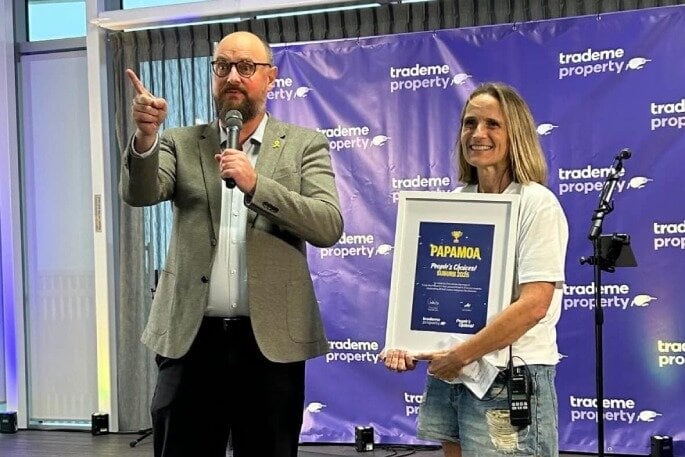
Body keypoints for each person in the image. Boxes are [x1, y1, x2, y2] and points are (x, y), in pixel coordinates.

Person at [119, 31, 343, 457]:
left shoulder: (303, 145)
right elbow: (141, 193)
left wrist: (256, 183)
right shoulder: (181, 143)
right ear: (212, 75)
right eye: (223, 66)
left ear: (271, 78)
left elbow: (328, 225)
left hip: (269, 344)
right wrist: (146, 138)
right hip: (191, 339)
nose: (233, 77)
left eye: (246, 67)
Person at [383, 82, 568, 456]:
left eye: (492, 124)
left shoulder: (536, 203)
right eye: (469, 123)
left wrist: (461, 354)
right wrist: (409, 344)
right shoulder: (456, 201)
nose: (477, 134)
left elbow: (534, 305)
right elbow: (433, 291)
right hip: (454, 372)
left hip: (509, 375)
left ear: (515, 133)